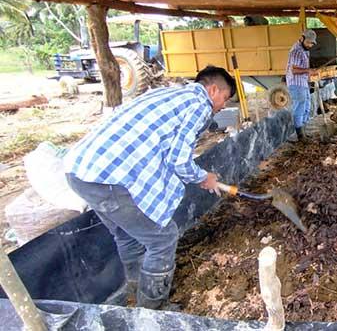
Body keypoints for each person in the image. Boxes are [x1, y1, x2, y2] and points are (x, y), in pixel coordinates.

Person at [64, 66, 235, 309]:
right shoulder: (199, 104)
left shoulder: (170, 94)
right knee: (163, 238)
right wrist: (203, 177)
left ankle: (136, 294)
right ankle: (153, 310)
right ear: (213, 89)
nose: (223, 105)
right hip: (109, 179)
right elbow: (179, 161)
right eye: (225, 98)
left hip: (81, 171)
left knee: (127, 236)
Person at [286, 29, 319, 141]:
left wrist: (309, 75)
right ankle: (299, 135)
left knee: (306, 106)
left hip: (303, 82)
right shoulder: (296, 51)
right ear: (302, 38)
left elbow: (304, 68)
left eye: (312, 43)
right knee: (300, 107)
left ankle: (303, 131)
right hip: (296, 83)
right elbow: (294, 70)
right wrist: (308, 71)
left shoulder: (305, 50)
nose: (310, 45)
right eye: (309, 42)